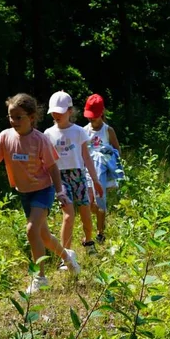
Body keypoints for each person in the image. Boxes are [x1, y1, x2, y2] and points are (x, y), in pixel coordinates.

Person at [0, 93, 78, 294]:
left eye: (18, 117)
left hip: (43, 190)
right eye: (10, 116)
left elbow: (52, 168)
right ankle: (68, 258)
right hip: (25, 193)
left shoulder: (40, 140)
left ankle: (40, 277)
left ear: (31, 117)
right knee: (44, 236)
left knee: (32, 230)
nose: (13, 121)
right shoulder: (5, 137)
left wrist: (60, 192)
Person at [44, 91, 102, 260]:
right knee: (68, 215)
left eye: (60, 111)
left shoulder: (78, 132)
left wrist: (95, 180)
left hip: (79, 176)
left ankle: (89, 241)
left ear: (70, 111)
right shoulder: (48, 134)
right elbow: (46, 161)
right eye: (54, 112)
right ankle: (66, 256)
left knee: (85, 212)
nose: (56, 115)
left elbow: (87, 158)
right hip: (59, 177)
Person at [83, 94, 123, 243]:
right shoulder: (84, 131)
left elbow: (117, 150)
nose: (91, 119)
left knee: (100, 200)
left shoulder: (108, 130)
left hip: (102, 172)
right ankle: (88, 233)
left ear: (102, 113)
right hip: (87, 171)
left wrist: (107, 153)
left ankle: (100, 233)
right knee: (87, 203)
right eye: (89, 116)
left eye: (94, 116)